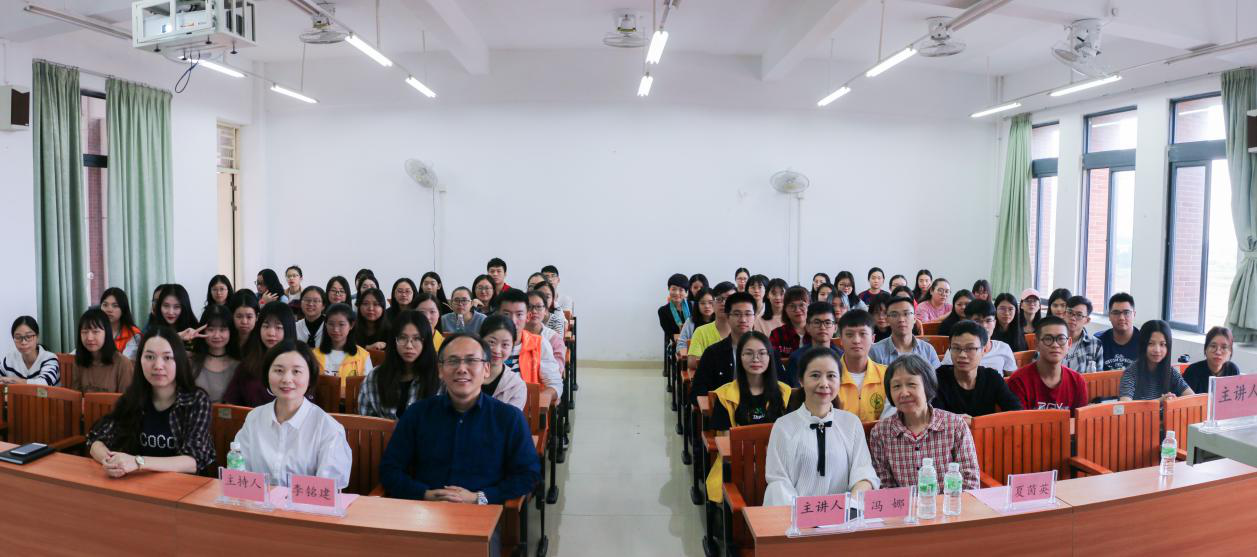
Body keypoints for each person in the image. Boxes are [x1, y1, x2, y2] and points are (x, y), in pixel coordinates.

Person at [379, 333, 540, 503]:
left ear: (486, 369)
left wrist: (479, 497)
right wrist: (425, 494)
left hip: (483, 512)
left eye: (471, 360)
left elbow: (529, 474)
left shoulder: (509, 418)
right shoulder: (417, 413)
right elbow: (389, 469)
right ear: (440, 370)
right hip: (425, 510)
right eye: (453, 361)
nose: (462, 369)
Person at [87, 327, 214, 477]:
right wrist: (110, 461)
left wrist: (137, 462)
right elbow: (95, 439)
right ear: (140, 361)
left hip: (185, 485)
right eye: (149, 357)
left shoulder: (196, 400)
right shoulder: (133, 397)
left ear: (179, 361)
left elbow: (194, 460)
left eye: (167, 358)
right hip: (140, 483)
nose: (158, 366)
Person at [762, 347, 878, 506]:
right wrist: (806, 513)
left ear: (840, 381)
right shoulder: (783, 426)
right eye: (815, 375)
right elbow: (779, 483)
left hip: (843, 514)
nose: (824, 384)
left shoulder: (851, 423)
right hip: (796, 515)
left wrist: (851, 505)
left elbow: (863, 474)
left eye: (831, 376)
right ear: (801, 380)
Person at [233, 340, 352, 488]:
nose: (286, 379)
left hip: (306, 503)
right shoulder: (254, 418)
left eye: (296, 371)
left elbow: (327, 489)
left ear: (310, 376)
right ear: (267, 374)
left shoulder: (328, 429)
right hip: (257, 501)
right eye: (279, 370)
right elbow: (239, 472)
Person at [705, 332, 792, 503]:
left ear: (770, 357)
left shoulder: (785, 392)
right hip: (739, 465)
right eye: (748, 353)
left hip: (779, 465)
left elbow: (790, 438)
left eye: (762, 353)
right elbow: (729, 444)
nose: (756, 359)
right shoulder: (724, 395)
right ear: (739, 357)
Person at [870, 354, 980, 490]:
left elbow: (970, 481)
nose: (904, 393)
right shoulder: (880, 432)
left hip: (951, 503)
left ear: (927, 387)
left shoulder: (955, 425)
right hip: (904, 504)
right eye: (896, 386)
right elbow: (885, 486)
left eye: (911, 384)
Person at [692, 293, 778, 403]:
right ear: (728, 317)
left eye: (748, 314)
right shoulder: (713, 353)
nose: (743, 320)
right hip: (725, 409)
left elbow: (781, 387)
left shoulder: (768, 350)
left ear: (755, 317)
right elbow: (698, 392)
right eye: (737, 314)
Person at [933, 320, 1023, 423]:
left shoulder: (992, 378)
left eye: (970, 348)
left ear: (983, 350)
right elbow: (932, 418)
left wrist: (976, 423)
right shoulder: (937, 378)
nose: (962, 355)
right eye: (956, 348)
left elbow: (1016, 411)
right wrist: (956, 421)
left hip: (986, 432)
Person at [358, 311, 440, 420]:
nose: (409, 345)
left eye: (416, 338)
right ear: (394, 341)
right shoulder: (375, 377)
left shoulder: (440, 378)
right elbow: (365, 424)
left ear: (426, 342)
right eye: (402, 338)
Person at [1007, 316, 1088, 411]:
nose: (1055, 345)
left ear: (1069, 343)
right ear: (1036, 343)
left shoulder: (1077, 382)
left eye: (1061, 339)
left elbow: (1079, 419)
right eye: (1048, 339)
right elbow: (1019, 420)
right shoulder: (1018, 381)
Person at [224, 302, 297, 407]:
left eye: (278, 327)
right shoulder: (247, 365)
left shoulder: (299, 365)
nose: (271, 333)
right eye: (266, 326)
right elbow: (230, 404)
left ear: (288, 329)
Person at [497, 289, 563, 398]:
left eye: (519, 314)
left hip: (528, 406)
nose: (513, 320)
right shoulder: (486, 345)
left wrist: (539, 400)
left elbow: (554, 384)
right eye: (506, 314)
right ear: (497, 315)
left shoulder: (540, 344)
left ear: (527, 316)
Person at [1119, 320, 1193, 401]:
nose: (1157, 350)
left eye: (1162, 344)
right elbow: (1126, 405)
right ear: (1143, 345)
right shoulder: (1131, 372)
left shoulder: (1170, 372)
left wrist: (1174, 402)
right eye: (1151, 343)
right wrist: (1160, 401)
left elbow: (1192, 398)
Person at [836, 309, 890, 421]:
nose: (856, 340)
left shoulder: (887, 375)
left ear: (873, 338)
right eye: (849, 335)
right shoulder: (829, 377)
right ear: (840, 339)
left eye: (863, 334)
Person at [939, 300, 1018, 374]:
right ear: (967, 323)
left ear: (994, 323)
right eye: (977, 321)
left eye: (988, 321)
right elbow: (944, 375)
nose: (984, 326)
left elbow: (1012, 378)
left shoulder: (1004, 348)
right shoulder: (956, 350)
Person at [72, 308, 133, 393]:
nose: (89, 338)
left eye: (95, 332)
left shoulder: (123, 363)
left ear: (107, 333)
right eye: (85, 332)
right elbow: (76, 395)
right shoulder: (79, 360)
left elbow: (127, 399)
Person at [869, 296, 941, 368]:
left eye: (906, 314)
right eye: (894, 315)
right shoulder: (875, 352)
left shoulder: (928, 350)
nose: (901, 319)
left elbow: (936, 375)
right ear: (887, 320)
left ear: (914, 318)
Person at [189, 304, 239, 403]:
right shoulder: (191, 362)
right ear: (202, 331)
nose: (216, 335)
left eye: (222, 330)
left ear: (231, 331)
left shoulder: (239, 366)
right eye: (211, 329)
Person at [315, 303, 374, 384]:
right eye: (331, 324)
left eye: (341, 324)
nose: (335, 329)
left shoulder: (363, 356)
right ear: (326, 324)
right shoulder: (314, 355)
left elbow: (368, 385)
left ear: (351, 325)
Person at [478, 316, 528, 410]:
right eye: (491, 342)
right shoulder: (465, 372)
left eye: (505, 344)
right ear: (480, 341)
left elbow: (510, 418)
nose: (497, 350)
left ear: (512, 347)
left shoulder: (515, 385)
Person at [785, 302, 842, 383]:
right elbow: (795, 388)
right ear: (807, 327)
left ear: (835, 328)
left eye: (827, 322)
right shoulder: (797, 358)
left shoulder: (842, 357)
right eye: (817, 322)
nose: (822, 327)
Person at [687, 282, 736, 371]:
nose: (724, 303)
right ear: (712, 303)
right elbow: (692, 362)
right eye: (719, 299)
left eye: (729, 299)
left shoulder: (744, 330)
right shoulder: (701, 331)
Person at [1, 316, 60, 385]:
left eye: (29, 336)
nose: (23, 342)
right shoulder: (9, 359)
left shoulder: (50, 358)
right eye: (18, 337)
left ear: (37, 337)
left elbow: (45, 384)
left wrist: (13, 381)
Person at [1183, 327, 1239, 394]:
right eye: (1213, 346)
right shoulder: (1192, 372)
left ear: (1230, 351)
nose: (1218, 352)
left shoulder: (1233, 370)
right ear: (1206, 349)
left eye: (1224, 347)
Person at [1097, 292, 1141, 371]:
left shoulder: (1144, 341)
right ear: (1109, 316)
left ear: (1134, 314)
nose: (1121, 318)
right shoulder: (1098, 342)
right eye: (1116, 313)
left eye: (1126, 313)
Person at [1062, 295, 1104, 373]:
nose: (1073, 318)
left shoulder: (1095, 344)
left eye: (1079, 315)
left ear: (1087, 320)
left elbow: (1098, 376)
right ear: (1064, 314)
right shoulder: (1052, 340)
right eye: (1070, 313)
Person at [768, 286, 811, 362]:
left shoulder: (817, 332)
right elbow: (772, 361)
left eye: (802, 305)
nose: (797, 310)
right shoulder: (776, 334)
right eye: (792, 306)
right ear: (785, 309)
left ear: (809, 306)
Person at [525, 290, 565, 367]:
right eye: (529, 307)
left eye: (539, 307)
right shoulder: (515, 334)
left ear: (546, 311)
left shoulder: (553, 338)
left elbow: (558, 368)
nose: (534, 311)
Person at [100, 287, 142, 359]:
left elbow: (126, 362)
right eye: (105, 305)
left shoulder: (134, 334)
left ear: (123, 309)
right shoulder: (95, 330)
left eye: (115, 306)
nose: (109, 310)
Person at [677, 287, 716, 361]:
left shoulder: (721, 321)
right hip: (695, 360)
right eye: (702, 303)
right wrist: (687, 356)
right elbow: (681, 344)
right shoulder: (690, 322)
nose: (707, 306)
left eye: (710, 302)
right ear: (697, 305)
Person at [658, 273, 692, 348]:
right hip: (676, 346)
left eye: (681, 290)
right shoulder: (663, 311)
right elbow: (670, 334)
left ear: (686, 292)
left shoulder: (693, 306)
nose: (677, 293)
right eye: (673, 289)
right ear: (669, 290)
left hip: (696, 344)